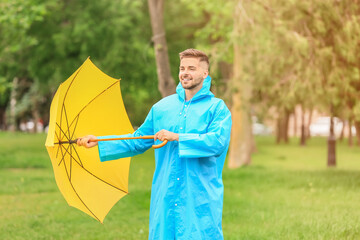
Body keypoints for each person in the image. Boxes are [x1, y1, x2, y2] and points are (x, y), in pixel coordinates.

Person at [77, 49, 232, 240]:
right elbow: (138, 140)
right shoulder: (161, 108)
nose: (185, 72)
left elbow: (217, 142)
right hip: (165, 193)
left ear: (204, 73)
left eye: (192, 68)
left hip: (199, 197)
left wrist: (178, 137)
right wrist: (98, 141)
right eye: (182, 68)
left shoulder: (217, 109)